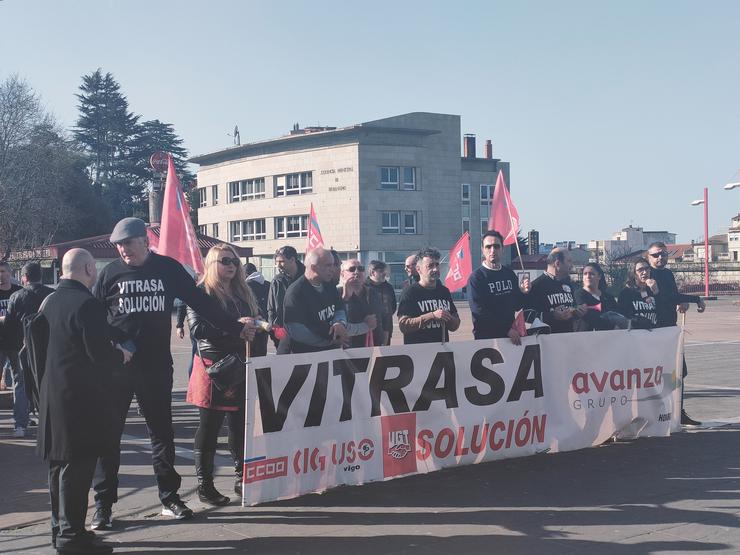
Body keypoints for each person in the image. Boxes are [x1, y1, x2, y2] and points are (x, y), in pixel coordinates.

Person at [91, 218, 252, 529]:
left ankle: (169, 498)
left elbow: (201, 303)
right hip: (117, 370)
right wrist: (113, 343)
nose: (123, 250)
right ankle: (104, 505)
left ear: (145, 241)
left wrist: (235, 327)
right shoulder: (110, 273)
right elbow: (95, 318)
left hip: (155, 367)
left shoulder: (167, 268)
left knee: (161, 434)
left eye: (128, 243)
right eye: (119, 245)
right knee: (109, 437)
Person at [38, 248, 132, 554]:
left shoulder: (48, 301)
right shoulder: (88, 304)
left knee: (57, 469)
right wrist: (122, 353)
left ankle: (59, 530)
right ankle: (72, 537)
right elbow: (100, 357)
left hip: (52, 396)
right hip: (79, 401)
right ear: (90, 269)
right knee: (76, 471)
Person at [187, 245, 263, 505]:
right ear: (211, 264)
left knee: (240, 425)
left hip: (241, 362)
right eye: (225, 261)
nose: (231, 265)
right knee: (209, 427)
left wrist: (259, 325)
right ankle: (205, 486)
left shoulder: (243, 291)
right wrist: (234, 328)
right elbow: (197, 329)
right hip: (213, 366)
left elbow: (253, 319)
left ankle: (242, 478)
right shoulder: (201, 292)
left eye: (234, 261)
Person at [646, 242, 706, 425]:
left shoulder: (667, 274)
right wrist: (693, 298)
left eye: (663, 254)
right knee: (655, 374)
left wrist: (681, 301)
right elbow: (665, 297)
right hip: (654, 330)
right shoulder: (648, 275)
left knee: (680, 371)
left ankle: (678, 411)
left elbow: (671, 295)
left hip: (670, 328)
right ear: (649, 257)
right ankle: (654, 413)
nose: (660, 258)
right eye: (655, 255)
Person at [4, 262, 55, 413]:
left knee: (21, 383)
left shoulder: (16, 296)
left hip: (22, 346)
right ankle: (48, 415)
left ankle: (21, 422)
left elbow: (9, 325)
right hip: (48, 346)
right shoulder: (52, 294)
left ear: (25, 277)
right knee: (48, 382)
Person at [467, 231, 530, 344]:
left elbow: (517, 305)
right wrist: (506, 330)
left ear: (502, 249)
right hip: (487, 339)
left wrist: (524, 292)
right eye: (488, 247)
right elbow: (479, 312)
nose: (492, 250)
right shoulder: (476, 278)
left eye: (496, 246)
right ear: (483, 250)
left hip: (511, 338)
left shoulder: (509, 274)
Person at [283, 247, 349, 353]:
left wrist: (339, 323)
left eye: (334, 265)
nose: (333, 269)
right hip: (302, 356)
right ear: (313, 267)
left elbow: (339, 309)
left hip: (328, 353)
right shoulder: (296, 292)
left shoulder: (329, 284)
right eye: (328, 265)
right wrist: (331, 341)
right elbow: (297, 331)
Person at [397, 248, 460, 344]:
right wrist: (432, 316)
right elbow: (403, 325)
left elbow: (455, 325)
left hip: (442, 353)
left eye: (437, 265)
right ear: (418, 269)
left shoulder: (444, 292)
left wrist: (449, 318)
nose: (435, 269)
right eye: (430, 266)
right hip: (417, 353)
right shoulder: (410, 292)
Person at [528, 248, 587, 334]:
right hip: (546, 341)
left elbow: (572, 307)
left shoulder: (569, 284)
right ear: (557, 263)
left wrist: (577, 312)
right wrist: (552, 316)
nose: (572, 265)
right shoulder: (536, 286)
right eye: (569, 261)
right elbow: (527, 316)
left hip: (567, 339)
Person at [0, 260, 25, 436]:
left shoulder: (18, 293)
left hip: (16, 344)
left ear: (10, 274)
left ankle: (20, 424)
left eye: (3, 272)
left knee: (20, 383)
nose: (1, 276)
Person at [267, 246, 305, 353]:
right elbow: (271, 308)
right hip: (283, 332)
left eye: (281, 261)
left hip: (305, 332)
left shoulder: (307, 278)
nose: (278, 265)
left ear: (292, 260)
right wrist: (275, 331)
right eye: (277, 262)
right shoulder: (277, 281)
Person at [337, 260, 379, 348]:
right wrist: (345, 298)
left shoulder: (371, 293)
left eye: (360, 269)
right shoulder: (336, 293)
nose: (357, 272)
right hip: (345, 348)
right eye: (352, 269)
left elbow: (380, 320)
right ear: (342, 274)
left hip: (369, 346)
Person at [574, 263, 625, 331]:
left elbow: (618, 315)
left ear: (599, 276)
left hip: (609, 337)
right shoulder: (579, 294)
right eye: (585, 274)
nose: (588, 276)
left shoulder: (609, 297)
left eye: (592, 274)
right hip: (586, 337)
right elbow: (587, 315)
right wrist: (610, 326)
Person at [618, 258, 660, 328]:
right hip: (635, 335)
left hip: (654, 334)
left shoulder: (654, 289)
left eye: (647, 269)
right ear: (633, 273)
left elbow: (663, 313)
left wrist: (657, 293)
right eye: (640, 270)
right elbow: (623, 318)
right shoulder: (626, 293)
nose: (645, 272)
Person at [365, 260, 397, 345]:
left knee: (384, 357)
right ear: (372, 272)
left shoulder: (388, 287)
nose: (384, 274)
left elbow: (393, 307)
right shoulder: (363, 287)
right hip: (368, 331)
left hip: (386, 330)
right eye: (381, 271)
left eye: (384, 271)